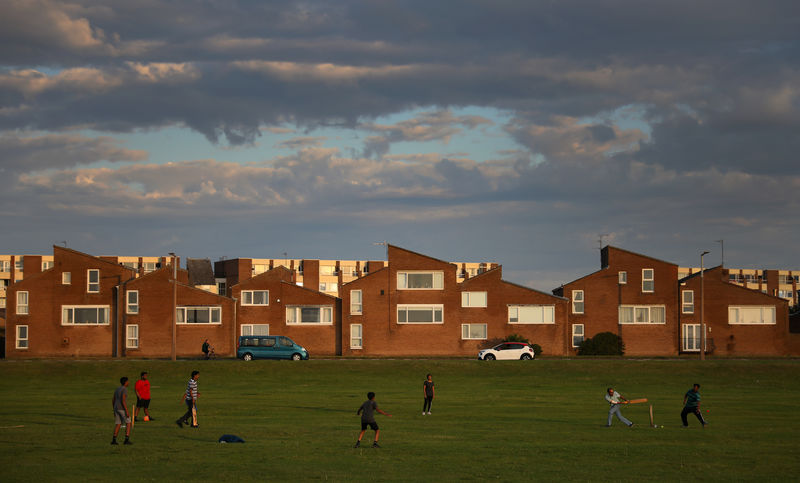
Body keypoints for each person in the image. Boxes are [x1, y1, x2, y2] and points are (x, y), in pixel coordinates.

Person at [112, 376, 132, 445]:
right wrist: (126, 411)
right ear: (125, 382)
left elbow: (113, 400)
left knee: (118, 423)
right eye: (128, 381)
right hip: (121, 408)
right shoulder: (124, 389)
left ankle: (114, 440)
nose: (128, 382)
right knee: (128, 422)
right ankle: (126, 439)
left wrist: (113, 409)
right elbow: (123, 401)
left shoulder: (117, 389)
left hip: (116, 408)